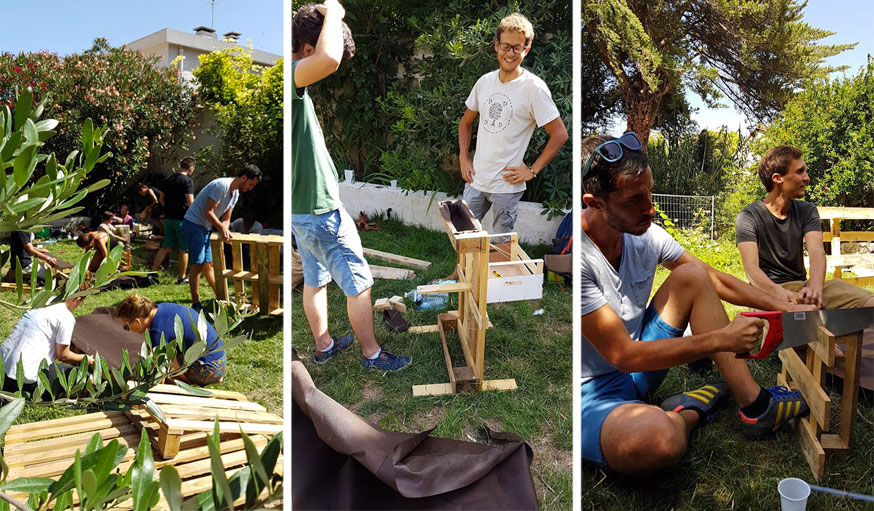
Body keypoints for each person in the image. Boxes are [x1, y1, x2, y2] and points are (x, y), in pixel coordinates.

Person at [579, 133, 815, 474]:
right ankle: (689, 410)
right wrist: (722, 339)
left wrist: (783, 304)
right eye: (634, 200)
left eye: (650, 192)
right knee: (661, 440)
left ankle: (756, 406)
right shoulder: (580, 257)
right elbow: (623, 356)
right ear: (596, 202)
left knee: (693, 276)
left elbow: (713, 278)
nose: (650, 208)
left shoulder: (646, 233)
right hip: (594, 391)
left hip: (639, 368)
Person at [293, 1, 411, 371]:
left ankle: (324, 345)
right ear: (308, 50)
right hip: (319, 211)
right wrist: (334, 12)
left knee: (315, 279)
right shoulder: (291, 74)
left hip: (301, 213)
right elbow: (329, 59)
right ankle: (372, 355)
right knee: (358, 282)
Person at [458, 13, 567, 238]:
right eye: (505, 46)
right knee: (463, 236)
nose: (510, 53)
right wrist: (463, 157)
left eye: (517, 48)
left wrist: (532, 170)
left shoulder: (534, 89)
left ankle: (498, 275)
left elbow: (559, 134)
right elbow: (465, 123)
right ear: (496, 46)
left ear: (526, 50)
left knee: (502, 245)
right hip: (477, 179)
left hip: (506, 187)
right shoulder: (484, 83)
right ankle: (459, 275)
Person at [736, 145, 874, 313]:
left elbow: (817, 251)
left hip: (803, 287)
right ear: (778, 178)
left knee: (861, 297)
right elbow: (751, 268)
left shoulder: (807, 210)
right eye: (800, 171)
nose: (807, 178)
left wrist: (815, 289)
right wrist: (778, 293)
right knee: (791, 326)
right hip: (767, 291)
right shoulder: (748, 216)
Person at [182, 165, 261, 309]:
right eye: (250, 184)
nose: (250, 188)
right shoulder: (221, 185)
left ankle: (221, 297)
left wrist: (225, 231)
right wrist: (221, 229)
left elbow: (227, 218)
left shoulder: (235, 193)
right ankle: (196, 303)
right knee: (199, 264)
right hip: (193, 224)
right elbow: (209, 212)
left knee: (208, 264)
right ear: (243, 178)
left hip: (205, 227)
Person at [113, 294, 225, 386]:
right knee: (154, 351)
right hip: (220, 358)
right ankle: (214, 376)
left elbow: (164, 368)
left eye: (126, 327)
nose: (129, 330)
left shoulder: (157, 331)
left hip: (209, 367)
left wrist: (162, 384)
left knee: (160, 365)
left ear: (137, 321)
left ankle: (200, 379)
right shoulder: (163, 307)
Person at [1, 287, 93, 396]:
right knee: (87, 377)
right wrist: (85, 359)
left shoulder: (42, 300)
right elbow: (63, 356)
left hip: (3, 365)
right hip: (24, 377)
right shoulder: (66, 317)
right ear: (77, 299)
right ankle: (65, 398)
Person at [152, 157, 196, 284]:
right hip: (182, 220)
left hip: (168, 218)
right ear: (191, 168)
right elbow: (190, 202)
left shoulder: (169, 179)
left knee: (165, 246)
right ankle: (181, 278)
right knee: (184, 249)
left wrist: (169, 208)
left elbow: (161, 198)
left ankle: (153, 273)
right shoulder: (187, 181)